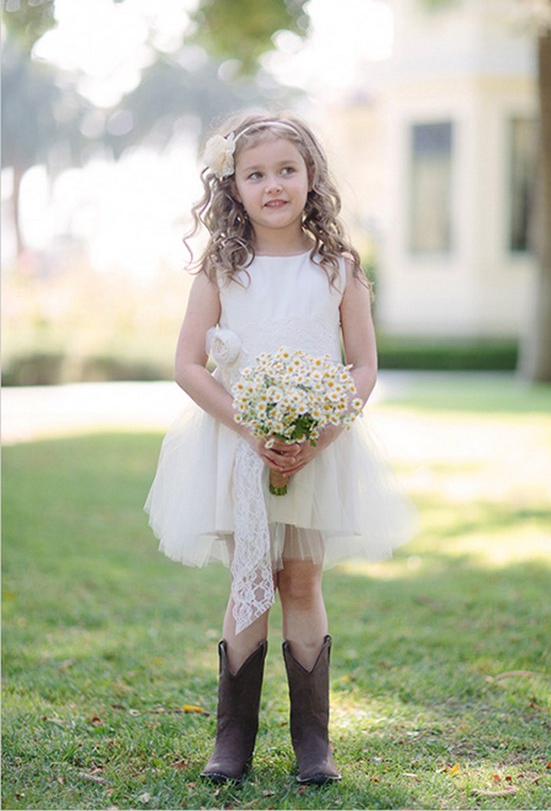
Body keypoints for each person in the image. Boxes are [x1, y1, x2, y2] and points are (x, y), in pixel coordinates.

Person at [145, 112, 416, 786]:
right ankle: (232, 739)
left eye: (286, 171)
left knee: (301, 577)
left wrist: (315, 437)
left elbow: (362, 367)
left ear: (311, 177)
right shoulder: (220, 269)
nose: (272, 185)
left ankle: (312, 743)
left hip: (317, 449)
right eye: (255, 174)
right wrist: (249, 425)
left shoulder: (338, 268)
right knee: (251, 582)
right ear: (231, 187)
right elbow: (188, 364)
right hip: (239, 445)